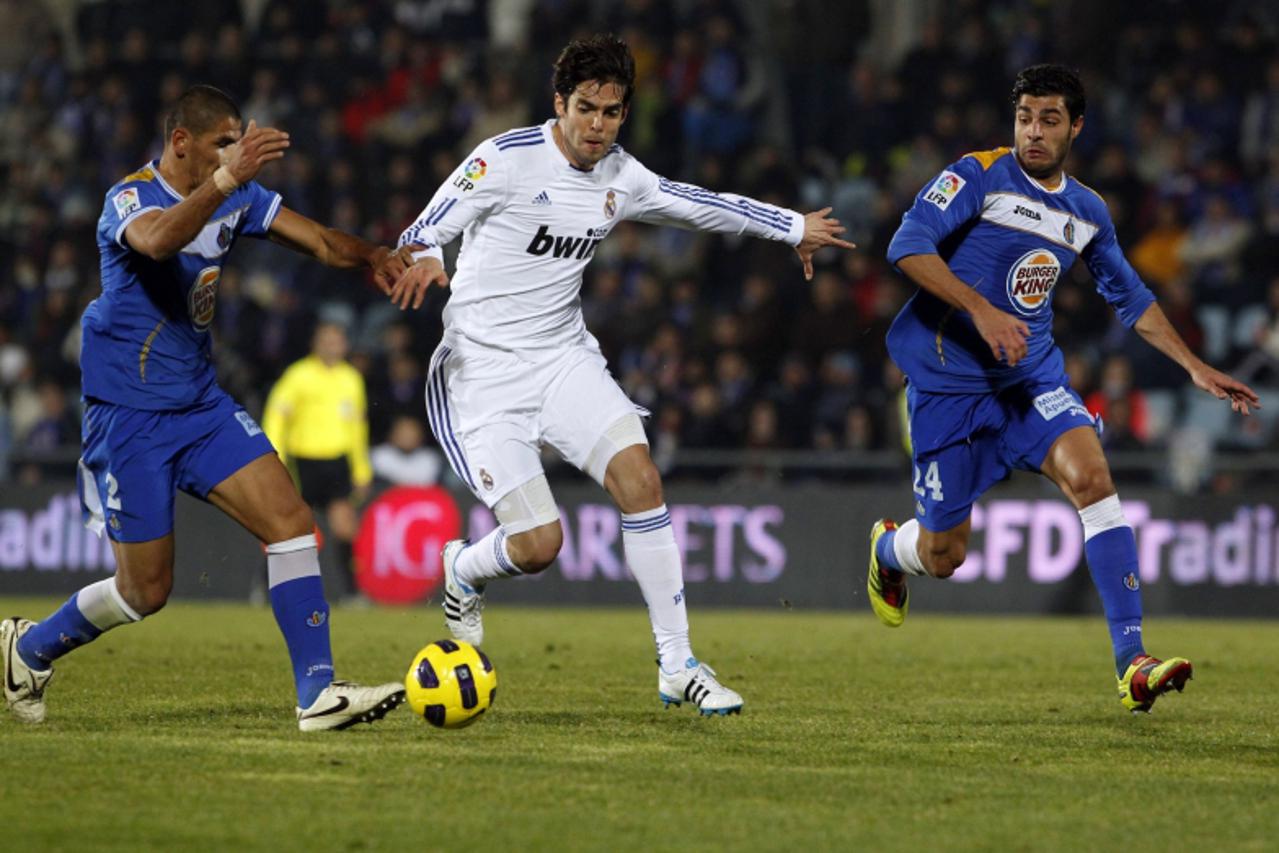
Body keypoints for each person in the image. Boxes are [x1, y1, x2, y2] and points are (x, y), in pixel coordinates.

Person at [383, 34, 853, 716]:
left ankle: (677, 663)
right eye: (585, 108)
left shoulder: (622, 176)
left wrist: (790, 226)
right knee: (539, 545)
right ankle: (464, 567)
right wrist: (425, 256)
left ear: (624, 113)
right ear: (559, 104)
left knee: (641, 479)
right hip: (483, 375)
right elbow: (423, 228)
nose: (597, 125)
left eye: (610, 112)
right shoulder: (504, 158)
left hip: (563, 359)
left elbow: (697, 204)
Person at [1, 85, 406, 731]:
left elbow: (323, 243)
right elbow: (159, 242)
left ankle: (317, 693)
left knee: (290, 520)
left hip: (198, 405)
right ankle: (28, 650)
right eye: (223, 141)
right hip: (129, 415)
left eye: (238, 140)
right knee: (144, 591)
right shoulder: (129, 198)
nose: (235, 151)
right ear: (181, 142)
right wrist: (226, 178)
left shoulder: (237, 195)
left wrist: (374, 255)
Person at [865, 65, 1261, 713]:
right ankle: (888, 549)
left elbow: (1130, 296)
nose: (1033, 132)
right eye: (1024, 117)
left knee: (1093, 480)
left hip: (1028, 378)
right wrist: (981, 310)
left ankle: (1132, 662)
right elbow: (906, 246)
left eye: (1048, 120)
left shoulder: (1086, 210)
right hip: (948, 383)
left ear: (1075, 127)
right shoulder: (977, 174)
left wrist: (1194, 366)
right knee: (942, 555)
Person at [262, 320, 372, 600]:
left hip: (337, 462)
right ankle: (266, 586)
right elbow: (276, 416)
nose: (332, 346)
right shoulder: (298, 376)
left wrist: (361, 470)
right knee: (291, 528)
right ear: (315, 344)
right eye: (326, 340)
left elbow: (358, 428)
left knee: (344, 526)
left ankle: (352, 592)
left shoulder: (351, 378)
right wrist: (275, 457)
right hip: (303, 461)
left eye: (337, 341)